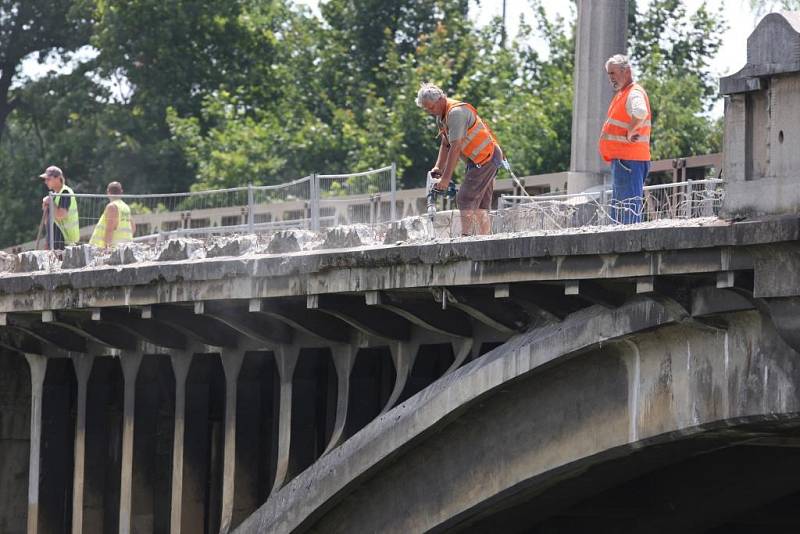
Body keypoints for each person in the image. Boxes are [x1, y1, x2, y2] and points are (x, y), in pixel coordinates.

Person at [416, 82, 503, 235]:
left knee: (464, 198)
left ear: (441, 99)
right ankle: (486, 237)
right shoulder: (441, 116)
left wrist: (445, 179)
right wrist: (438, 168)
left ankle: (466, 237)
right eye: (426, 109)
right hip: (479, 159)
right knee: (481, 204)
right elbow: (446, 144)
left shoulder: (456, 113)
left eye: (431, 107)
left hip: (487, 158)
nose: (430, 111)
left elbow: (455, 148)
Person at [599, 54, 652, 224]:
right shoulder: (624, 93)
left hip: (628, 161)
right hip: (627, 162)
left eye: (613, 73)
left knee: (625, 215)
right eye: (609, 74)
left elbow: (641, 112)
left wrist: (630, 131)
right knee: (623, 212)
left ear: (626, 71)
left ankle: (627, 249)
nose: (610, 78)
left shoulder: (633, 93)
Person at [40, 166, 80, 250]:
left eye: (48, 179)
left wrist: (50, 201)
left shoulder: (65, 192)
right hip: (59, 239)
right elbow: (48, 223)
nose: (46, 182)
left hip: (67, 241)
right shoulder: (55, 196)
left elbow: (61, 215)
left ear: (58, 178)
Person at [90, 181, 134, 248]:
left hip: (113, 248)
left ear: (108, 192)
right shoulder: (126, 207)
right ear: (121, 192)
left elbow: (109, 230)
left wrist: (107, 248)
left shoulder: (112, 207)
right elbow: (133, 227)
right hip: (124, 247)